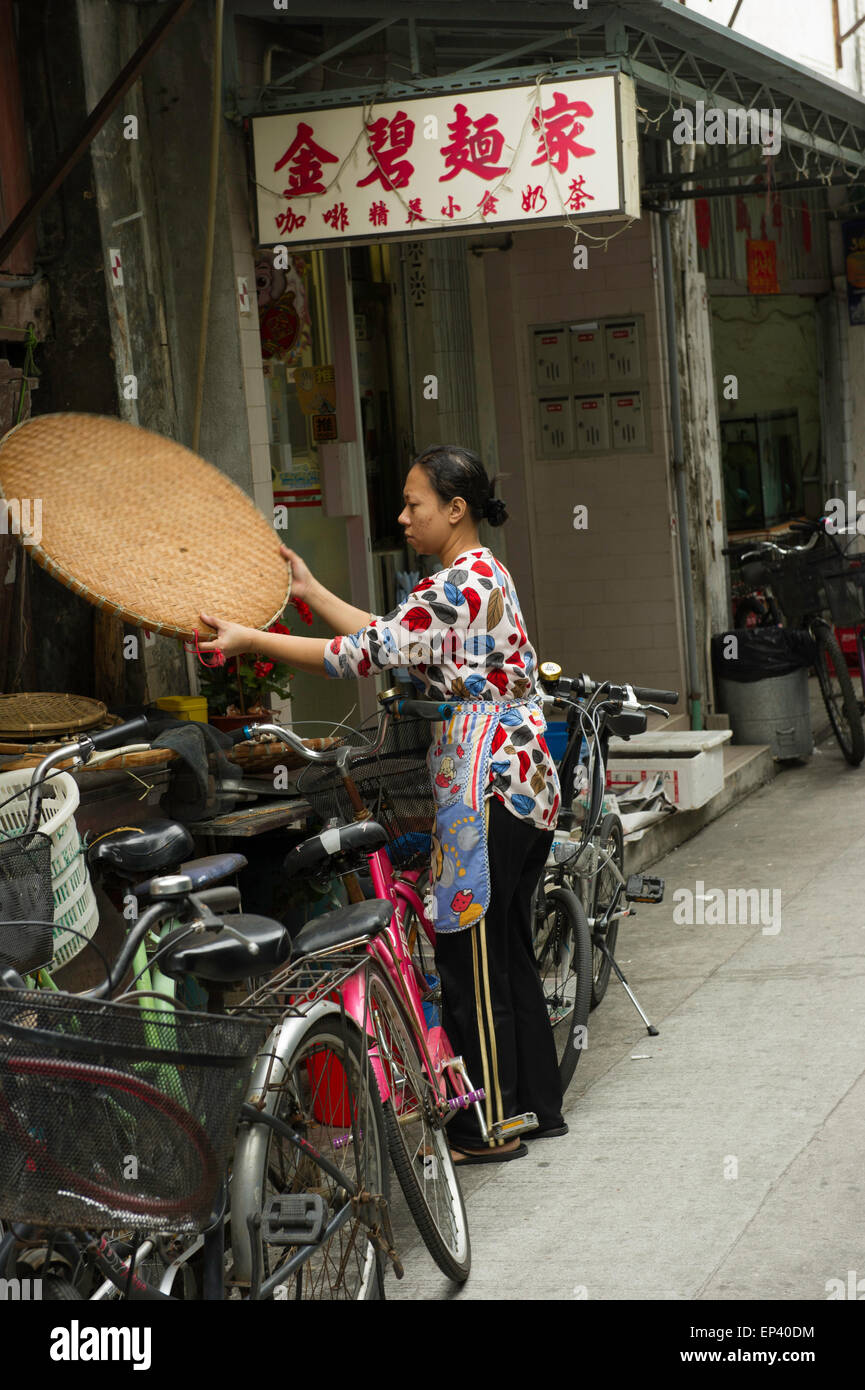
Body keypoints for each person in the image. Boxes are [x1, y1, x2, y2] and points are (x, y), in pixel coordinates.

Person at [199, 443, 566, 1163]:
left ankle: (486, 1129)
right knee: (509, 951)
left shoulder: (457, 583)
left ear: (454, 509)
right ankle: (533, 1108)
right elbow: (388, 637)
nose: (401, 517)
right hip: (525, 784)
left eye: (413, 504)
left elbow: (356, 654)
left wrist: (249, 639)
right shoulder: (477, 574)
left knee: (467, 957)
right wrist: (307, 592)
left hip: (486, 782)